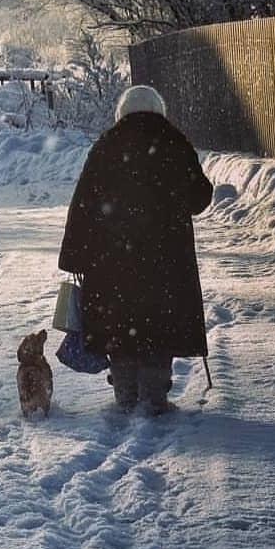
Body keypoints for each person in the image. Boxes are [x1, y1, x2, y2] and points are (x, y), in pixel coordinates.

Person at [58, 84, 213, 415]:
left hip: (112, 260)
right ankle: (155, 395)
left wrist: (74, 255)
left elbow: (83, 203)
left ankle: (126, 394)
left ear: (122, 112)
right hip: (165, 259)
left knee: (121, 325)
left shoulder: (106, 146)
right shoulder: (175, 143)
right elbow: (200, 198)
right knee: (159, 325)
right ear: (159, 110)